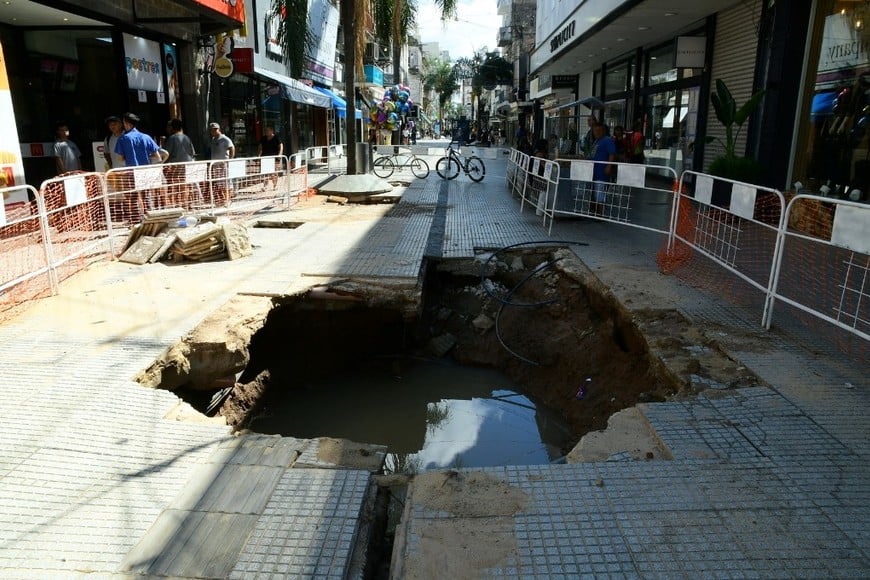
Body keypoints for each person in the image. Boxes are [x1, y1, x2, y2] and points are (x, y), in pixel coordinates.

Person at [589, 122, 616, 215]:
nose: (597, 133)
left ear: (603, 131)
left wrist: (609, 166)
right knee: (595, 192)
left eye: (599, 131)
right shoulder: (596, 141)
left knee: (600, 192)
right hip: (594, 171)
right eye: (595, 131)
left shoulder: (607, 140)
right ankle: (595, 211)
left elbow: (612, 154)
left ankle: (600, 213)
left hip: (601, 172)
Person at [208, 122, 235, 206]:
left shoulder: (224, 138)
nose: (214, 131)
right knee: (219, 184)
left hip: (223, 164)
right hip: (215, 165)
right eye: (212, 130)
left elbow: (232, 147)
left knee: (226, 183)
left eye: (215, 129)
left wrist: (230, 159)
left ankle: (228, 200)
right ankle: (223, 199)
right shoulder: (213, 140)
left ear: (219, 129)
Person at [257, 125, 283, 190]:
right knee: (265, 172)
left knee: (274, 173)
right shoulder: (263, 138)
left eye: (268, 130)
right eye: (265, 130)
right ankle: (265, 186)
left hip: (274, 158)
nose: (266, 132)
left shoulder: (276, 138)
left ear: (272, 131)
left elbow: (281, 146)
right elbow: (260, 147)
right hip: (265, 157)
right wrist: (258, 155)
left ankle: (275, 185)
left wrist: (279, 154)